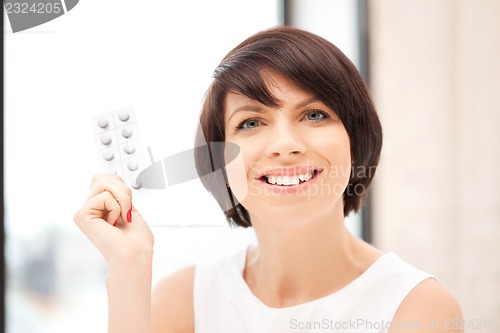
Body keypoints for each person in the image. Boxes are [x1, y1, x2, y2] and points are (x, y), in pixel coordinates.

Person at [73, 26, 463, 333]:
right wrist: (129, 270)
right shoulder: (182, 302)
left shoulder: (416, 308)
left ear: (355, 139)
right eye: (251, 122)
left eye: (314, 114)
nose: (284, 145)